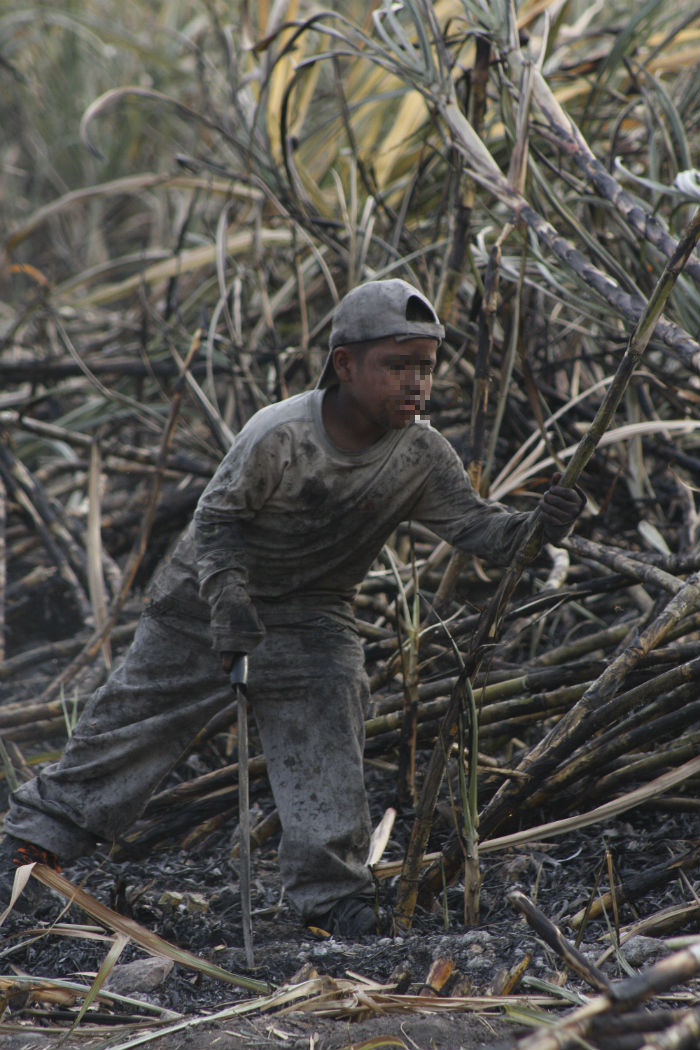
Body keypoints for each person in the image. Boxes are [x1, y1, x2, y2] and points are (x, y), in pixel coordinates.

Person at [0, 279, 584, 938]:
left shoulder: (420, 454)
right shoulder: (279, 435)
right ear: (344, 364)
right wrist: (228, 603)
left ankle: (332, 899)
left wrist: (540, 527)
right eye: (397, 367)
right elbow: (217, 520)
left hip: (312, 615)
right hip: (206, 598)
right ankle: (31, 845)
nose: (415, 384)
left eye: (425, 366)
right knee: (136, 722)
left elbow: (481, 531)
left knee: (329, 728)